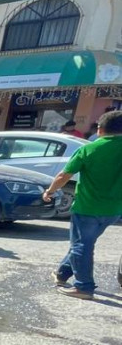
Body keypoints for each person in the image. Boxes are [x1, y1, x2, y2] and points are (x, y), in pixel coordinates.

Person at [43, 110, 122, 300]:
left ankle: (83, 287)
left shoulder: (89, 149)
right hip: (113, 210)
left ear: (100, 129)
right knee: (84, 243)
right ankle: (62, 273)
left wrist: (50, 191)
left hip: (88, 207)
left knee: (81, 245)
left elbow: (64, 175)